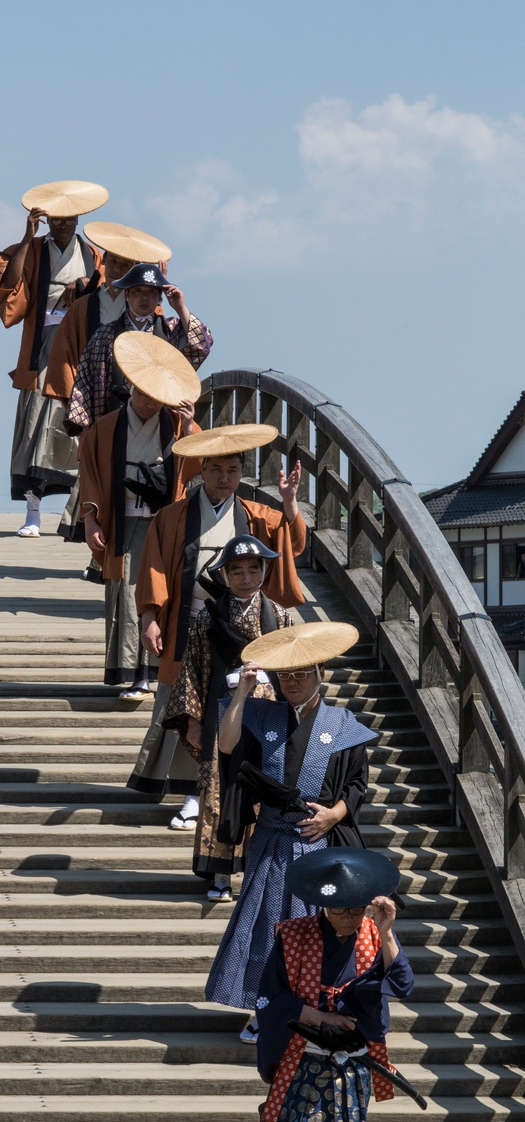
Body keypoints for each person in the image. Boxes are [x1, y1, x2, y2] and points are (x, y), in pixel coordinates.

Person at [205, 620, 379, 1042]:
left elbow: (358, 783)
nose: (294, 682)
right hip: (271, 840)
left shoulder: (342, 722)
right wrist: (243, 693)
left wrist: (334, 815)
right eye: (286, 675)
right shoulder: (261, 714)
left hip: (318, 842)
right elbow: (226, 747)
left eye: (303, 674)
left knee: (318, 930)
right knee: (265, 926)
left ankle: (315, 1011)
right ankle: (263, 1010)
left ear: (320, 674)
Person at [254, 847, 413, 1122]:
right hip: (303, 1061)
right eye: (340, 908)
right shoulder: (292, 934)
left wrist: (385, 933)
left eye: (357, 907)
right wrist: (312, 1013)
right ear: (323, 903)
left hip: (351, 1070)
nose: (348, 916)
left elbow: (402, 985)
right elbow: (267, 998)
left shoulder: (373, 935)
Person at [129, 423, 306, 829]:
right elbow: (153, 566)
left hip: (241, 631)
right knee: (189, 708)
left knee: (238, 710)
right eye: (215, 469)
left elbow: (290, 545)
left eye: (232, 470)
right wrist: (150, 617)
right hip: (188, 625)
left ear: (240, 472)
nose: (223, 478)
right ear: (201, 470)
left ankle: (236, 792)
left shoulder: (257, 515)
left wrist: (290, 502)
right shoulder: (172, 517)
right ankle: (192, 793)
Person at [162, 536, 294, 897]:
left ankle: (258, 872)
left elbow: (296, 667)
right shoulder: (209, 615)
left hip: (269, 713)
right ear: (225, 575)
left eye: (254, 569)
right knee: (219, 791)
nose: (246, 578)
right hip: (223, 711)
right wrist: (191, 720)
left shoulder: (280, 615)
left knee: (263, 791)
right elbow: (192, 667)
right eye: (237, 571)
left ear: (264, 572)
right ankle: (220, 874)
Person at [78, 332, 200, 697]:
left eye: (156, 396)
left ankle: (157, 671)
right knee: (127, 595)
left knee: (163, 593)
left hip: (163, 524)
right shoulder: (104, 428)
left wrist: (192, 427)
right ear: (132, 386)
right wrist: (90, 518)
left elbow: (198, 466)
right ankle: (134, 672)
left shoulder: (176, 424)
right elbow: (91, 475)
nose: (150, 403)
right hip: (124, 521)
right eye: (144, 394)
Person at [0, 181, 107, 537]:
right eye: (57, 220)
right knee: (36, 423)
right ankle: (33, 512)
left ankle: (80, 514)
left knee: (80, 429)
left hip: (79, 348)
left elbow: (111, 291)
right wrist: (27, 236)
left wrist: (85, 284)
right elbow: (6, 279)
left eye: (70, 219)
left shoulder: (93, 256)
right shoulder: (36, 249)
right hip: (43, 345)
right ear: (49, 220)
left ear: (79, 219)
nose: (63, 225)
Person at [44, 222, 171, 550]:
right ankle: (103, 554)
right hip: (105, 402)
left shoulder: (158, 321)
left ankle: (140, 555)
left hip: (151, 410)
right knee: (102, 479)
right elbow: (70, 355)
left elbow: (189, 354)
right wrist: (79, 411)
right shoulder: (87, 306)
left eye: (125, 264)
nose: (117, 269)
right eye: (112, 261)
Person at [66, 263, 212, 437]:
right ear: (126, 295)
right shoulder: (104, 335)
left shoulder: (170, 330)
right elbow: (85, 379)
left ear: (159, 298)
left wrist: (181, 307)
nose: (144, 297)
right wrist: (83, 427)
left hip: (159, 419)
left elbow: (201, 344)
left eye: (151, 292)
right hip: (113, 418)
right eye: (137, 291)